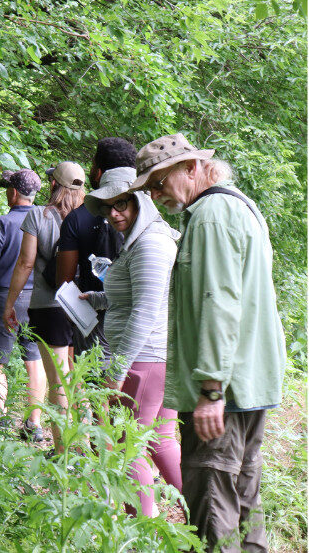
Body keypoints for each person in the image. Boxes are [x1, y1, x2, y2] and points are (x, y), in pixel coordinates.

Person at [131, 133, 285, 551]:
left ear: (192, 168)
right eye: (149, 187)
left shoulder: (212, 216)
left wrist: (211, 388)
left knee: (213, 503)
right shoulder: (237, 207)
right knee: (243, 497)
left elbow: (219, 303)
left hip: (225, 393)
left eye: (160, 181)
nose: (155, 193)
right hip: (248, 386)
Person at [79, 167, 182, 517]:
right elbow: (136, 298)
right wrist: (98, 298)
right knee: (159, 441)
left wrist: (117, 371)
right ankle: (204, 514)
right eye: (108, 207)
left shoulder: (151, 243)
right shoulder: (141, 239)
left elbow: (146, 312)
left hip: (143, 361)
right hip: (154, 357)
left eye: (121, 204)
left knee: (127, 446)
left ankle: (145, 527)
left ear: (141, 200)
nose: (114, 214)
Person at [3, 161, 85, 453]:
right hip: (86, 307)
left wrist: (10, 304)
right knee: (81, 376)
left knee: (58, 380)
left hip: (49, 307)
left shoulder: (39, 215)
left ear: (53, 185)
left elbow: (25, 263)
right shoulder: (92, 217)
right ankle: (87, 443)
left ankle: (64, 449)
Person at [56, 138, 136, 365]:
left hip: (94, 318)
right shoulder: (145, 212)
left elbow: (64, 280)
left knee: (97, 387)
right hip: (139, 314)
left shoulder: (77, 218)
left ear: (99, 173)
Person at [0, 169, 45, 439]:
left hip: (5, 296)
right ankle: (34, 424)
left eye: (8, 188)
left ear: (14, 192)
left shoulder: (3, 223)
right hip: (37, 298)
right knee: (35, 358)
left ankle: (0, 415)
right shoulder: (46, 219)